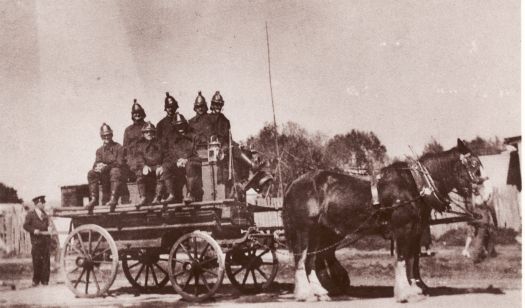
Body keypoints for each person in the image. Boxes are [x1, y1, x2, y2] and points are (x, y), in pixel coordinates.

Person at [163, 113, 203, 203]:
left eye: (182, 125)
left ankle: (190, 194)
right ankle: (171, 194)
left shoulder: (194, 137)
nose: (180, 128)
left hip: (193, 163)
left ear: (185, 125)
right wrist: (176, 161)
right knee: (166, 166)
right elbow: (169, 155)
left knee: (189, 165)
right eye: (177, 126)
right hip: (178, 165)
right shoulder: (172, 140)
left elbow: (199, 155)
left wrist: (186, 160)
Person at [85, 123, 124, 213]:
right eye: (104, 135)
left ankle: (113, 198)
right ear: (101, 136)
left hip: (115, 174)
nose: (106, 137)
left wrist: (106, 166)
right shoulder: (99, 151)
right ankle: (94, 199)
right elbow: (96, 164)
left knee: (115, 171)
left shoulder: (119, 147)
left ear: (111, 135)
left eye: (108, 135)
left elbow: (119, 162)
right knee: (91, 173)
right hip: (104, 176)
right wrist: (97, 167)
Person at [133, 121, 165, 208]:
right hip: (147, 167)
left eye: (151, 132)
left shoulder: (160, 143)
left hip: (158, 166)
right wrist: (143, 166)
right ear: (143, 133)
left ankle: (158, 197)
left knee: (162, 173)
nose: (149, 133)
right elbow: (138, 157)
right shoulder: (139, 144)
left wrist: (162, 166)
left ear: (154, 133)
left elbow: (166, 156)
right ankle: (143, 197)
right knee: (139, 174)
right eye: (146, 132)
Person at [122, 99, 147, 203]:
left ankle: (143, 196)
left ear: (142, 114)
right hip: (131, 158)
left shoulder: (147, 126)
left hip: (145, 156)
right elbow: (125, 147)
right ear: (132, 115)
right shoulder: (128, 130)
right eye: (135, 113)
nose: (137, 115)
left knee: (140, 170)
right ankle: (125, 200)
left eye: (139, 113)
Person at [23, 195, 51, 287]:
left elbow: (48, 225)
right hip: (36, 241)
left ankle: (45, 281)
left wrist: (49, 229)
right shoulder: (31, 214)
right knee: (36, 261)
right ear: (38, 203)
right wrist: (34, 230)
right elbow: (26, 226)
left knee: (46, 261)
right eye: (43, 203)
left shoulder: (45, 214)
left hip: (45, 241)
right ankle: (36, 281)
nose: (44, 204)